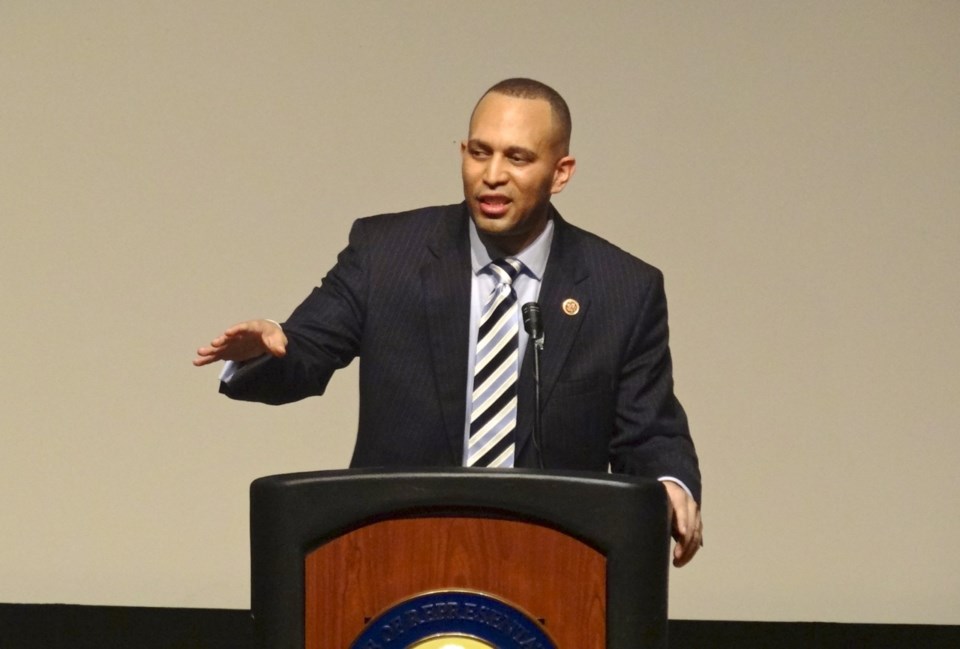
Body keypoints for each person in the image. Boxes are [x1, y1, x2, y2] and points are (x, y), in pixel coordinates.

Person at [194, 78, 703, 566]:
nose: (492, 174)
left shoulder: (623, 289)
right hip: (395, 549)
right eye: (479, 152)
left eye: (518, 158)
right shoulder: (386, 254)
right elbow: (303, 350)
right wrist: (266, 347)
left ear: (561, 172)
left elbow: (648, 431)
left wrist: (671, 486)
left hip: (553, 562)